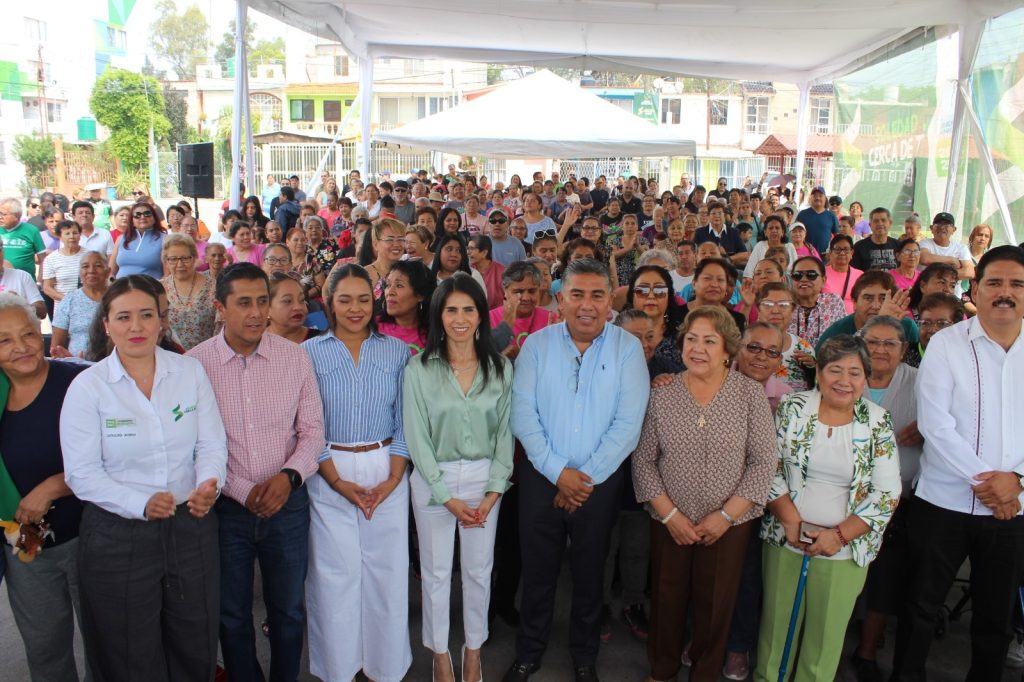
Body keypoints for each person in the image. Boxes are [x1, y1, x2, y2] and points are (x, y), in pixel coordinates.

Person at [59, 275, 228, 680]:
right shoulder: (88, 387)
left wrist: (209, 483)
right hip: (117, 534)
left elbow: (211, 443)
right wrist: (140, 503)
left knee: (195, 637)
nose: (136, 326)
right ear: (106, 325)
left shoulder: (189, 372)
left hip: (190, 527)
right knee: (128, 648)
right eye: (123, 317)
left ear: (161, 321)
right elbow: (82, 473)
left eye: (146, 315)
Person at [504, 258, 650, 682]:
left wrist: (583, 478)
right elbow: (522, 415)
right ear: (561, 299)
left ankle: (584, 657)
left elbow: (628, 424)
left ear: (610, 302)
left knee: (590, 574)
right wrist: (558, 473)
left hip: (598, 483)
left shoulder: (626, 349)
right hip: (540, 479)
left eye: (597, 295)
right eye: (577, 294)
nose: (587, 305)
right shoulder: (537, 346)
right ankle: (529, 653)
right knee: (538, 572)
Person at [891, 246, 1024, 681]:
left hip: (1013, 508)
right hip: (943, 502)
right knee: (919, 607)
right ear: (975, 289)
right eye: (995, 282)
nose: (1005, 293)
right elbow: (936, 423)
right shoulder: (948, 344)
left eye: (1017, 284)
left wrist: (1017, 480)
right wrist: (991, 483)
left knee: (995, 618)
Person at [187, 263, 326, 682]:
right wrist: (241, 489)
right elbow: (193, 445)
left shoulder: (294, 357)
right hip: (226, 509)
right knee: (231, 613)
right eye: (243, 303)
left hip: (288, 504)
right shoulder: (195, 366)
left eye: (262, 301)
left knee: (289, 610)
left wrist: (288, 478)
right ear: (220, 307)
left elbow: (313, 431)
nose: (255, 313)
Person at [633, 305, 776, 682]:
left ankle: (705, 673)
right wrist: (670, 516)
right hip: (670, 521)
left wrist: (726, 517)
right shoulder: (663, 392)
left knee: (715, 607)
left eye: (709, 341)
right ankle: (661, 671)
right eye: (691, 339)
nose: (698, 348)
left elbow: (764, 461)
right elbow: (643, 460)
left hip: (729, 524)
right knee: (666, 599)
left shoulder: (749, 394)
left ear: (728, 348)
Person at [755, 335, 901, 682]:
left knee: (825, 640)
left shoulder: (877, 420)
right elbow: (767, 467)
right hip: (786, 537)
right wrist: (790, 520)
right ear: (819, 372)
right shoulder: (792, 407)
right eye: (835, 370)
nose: (844, 380)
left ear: (865, 378)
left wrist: (839, 535)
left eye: (854, 372)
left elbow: (887, 493)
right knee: (776, 630)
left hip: (844, 549)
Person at [303, 263, 412, 682]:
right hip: (329, 468)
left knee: (388, 573)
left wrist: (392, 480)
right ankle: (339, 669)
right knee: (335, 575)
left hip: (387, 465)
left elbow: (404, 422)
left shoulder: (397, 351)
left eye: (364, 299)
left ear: (375, 300)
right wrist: (336, 481)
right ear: (329, 302)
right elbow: (309, 425)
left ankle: (385, 668)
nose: (355, 308)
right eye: (345, 300)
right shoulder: (310, 353)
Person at [404, 275, 514, 682]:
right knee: (435, 573)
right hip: (434, 480)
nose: (460, 318)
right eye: (451, 310)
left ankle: (473, 651)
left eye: (469, 309)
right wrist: (444, 495)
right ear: (438, 315)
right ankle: (439, 654)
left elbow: (505, 435)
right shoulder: (419, 369)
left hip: (485, 481)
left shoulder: (500, 368)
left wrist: (493, 492)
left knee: (478, 571)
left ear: (482, 315)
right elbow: (417, 438)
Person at [0, 293, 88, 681]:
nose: (20, 347)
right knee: (45, 647)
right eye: (3, 340)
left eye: (27, 334)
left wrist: (53, 487)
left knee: (108, 642)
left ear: (41, 332)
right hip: (26, 547)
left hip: (91, 536)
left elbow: (118, 454)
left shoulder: (79, 380)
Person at [850, 316, 923, 681]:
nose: (879, 350)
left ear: (904, 348)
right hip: (844, 493)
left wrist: (927, 429)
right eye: (872, 342)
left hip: (899, 497)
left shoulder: (920, 382)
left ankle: (866, 650)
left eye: (889, 343)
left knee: (885, 575)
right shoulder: (846, 375)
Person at [816, 270, 918, 352]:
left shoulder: (907, 327)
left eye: (883, 298)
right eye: (868, 298)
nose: (876, 306)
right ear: (854, 303)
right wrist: (877, 324)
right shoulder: (837, 332)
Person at [624, 265, 685, 376]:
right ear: (631, 296)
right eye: (642, 290)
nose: (651, 296)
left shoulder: (684, 335)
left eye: (659, 290)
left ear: (669, 296)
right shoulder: (618, 333)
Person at [160, 233, 216, 351]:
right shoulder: (158, 289)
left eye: (185, 258)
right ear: (166, 261)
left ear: (194, 258)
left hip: (207, 355)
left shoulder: (213, 287)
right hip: (170, 357)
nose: (180, 264)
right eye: (173, 259)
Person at [756, 282, 816, 392]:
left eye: (783, 305)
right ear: (758, 309)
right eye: (768, 304)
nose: (775, 311)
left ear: (793, 310)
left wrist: (812, 369)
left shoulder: (804, 347)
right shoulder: (747, 347)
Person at [489, 261, 555, 361]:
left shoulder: (552, 320)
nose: (526, 298)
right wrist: (499, 357)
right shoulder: (488, 320)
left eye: (532, 291)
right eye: (518, 292)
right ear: (505, 290)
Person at [50, 251, 109, 358]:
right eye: (85, 266)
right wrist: (70, 360)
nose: (91, 270)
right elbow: (56, 347)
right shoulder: (70, 300)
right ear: (79, 272)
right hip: (76, 364)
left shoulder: (117, 298)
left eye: (98, 266)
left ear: (108, 272)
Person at [788, 256, 848, 348]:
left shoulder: (834, 302)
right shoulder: (784, 304)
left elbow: (845, 336)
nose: (803, 279)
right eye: (797, 275)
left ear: (823, 281)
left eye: (811, 275)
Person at [918, 212, 974, 296]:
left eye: (947, 225)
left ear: (954, 229)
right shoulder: (923, 243)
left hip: (952, 297)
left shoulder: (961, 248)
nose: (942, 227)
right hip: (926, 296)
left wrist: (937, 277)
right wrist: (951, 260)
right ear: (931, 228)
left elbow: (970, 272)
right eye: (938, 224)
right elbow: (924, 258)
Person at [904, 292, 966, 367]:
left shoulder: (967, 360)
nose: (933, 330)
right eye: (926, 323)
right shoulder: (903, 355)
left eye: (942, 324)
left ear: (957, 327)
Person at [110, 200, 166, 279]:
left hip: (151, 286)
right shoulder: (121, 239)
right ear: (132, 220)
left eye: (147, 214)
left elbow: (168, 274)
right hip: (121, 285)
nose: (142, 217)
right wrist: (112, 282)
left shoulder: (165, 239)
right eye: (137, 215)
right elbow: (111, 271)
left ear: (154, 218)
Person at [41, 220, 83, 313]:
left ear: (80, 235)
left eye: (75, 233)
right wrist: (68, 300)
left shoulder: (89, 256)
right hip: (62, 309)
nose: (72, 236)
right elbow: (47, 288)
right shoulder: (51, 259)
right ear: (60, 237)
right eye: (67, 234)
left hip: (86, 307)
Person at [0, 198, 46, 278]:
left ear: (17, 215)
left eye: (3, 214)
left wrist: (39, 281)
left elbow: (43, 260)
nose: (0, 217)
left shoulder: (31, 230)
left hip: (25, 282)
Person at [265, 272, 315, 344]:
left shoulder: (322, 341)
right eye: (287, 301)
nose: (298, 307)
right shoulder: (253, 343)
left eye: (302, 300)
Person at [743, 215, 796, 280]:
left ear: (782, 232)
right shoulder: (760, 246)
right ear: (765, 232)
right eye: (771, 228)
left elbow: (796, 271)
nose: (774, 230)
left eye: (777, 228)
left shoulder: (790, 247)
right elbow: (749, 272)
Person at [285, 227, 326, 303]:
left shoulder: (312, 261)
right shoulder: (282, 260)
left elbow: (321, 285)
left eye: (303, 240)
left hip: (309, 301)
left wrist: (304, 296)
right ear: (287, 242)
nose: (300, 243)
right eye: (296, 240)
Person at [852, 207, 900, 271]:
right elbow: (855, 273)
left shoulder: (899, 246)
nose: (880, 224)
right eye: (876, 221)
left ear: (890, 223)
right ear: (870, 225)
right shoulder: (859, 247)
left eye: (883, 220)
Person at [824, 234, 863, 313]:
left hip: (854, 318)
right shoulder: (821, 274)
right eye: (837, 249)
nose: (842, 253)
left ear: (851, 253)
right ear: (830, 252)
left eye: (846, 250)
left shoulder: (860, 275)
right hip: (828, 318)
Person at [795, 188, 840, 256]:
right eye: (815, 196)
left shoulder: (831, 216)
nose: (818, 198)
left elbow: (837, 236)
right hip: (805, 255)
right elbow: (795, 233)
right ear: (810, 198)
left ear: (825, 198)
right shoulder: (802, 214)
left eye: (820, 196)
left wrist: (832, 251)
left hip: (824, 255)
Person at [469, 235, 506, 309]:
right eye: (468, 248)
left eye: (472, 249)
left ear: (484, 253)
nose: (468, 252)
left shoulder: (501, 272)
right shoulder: (468, 270)